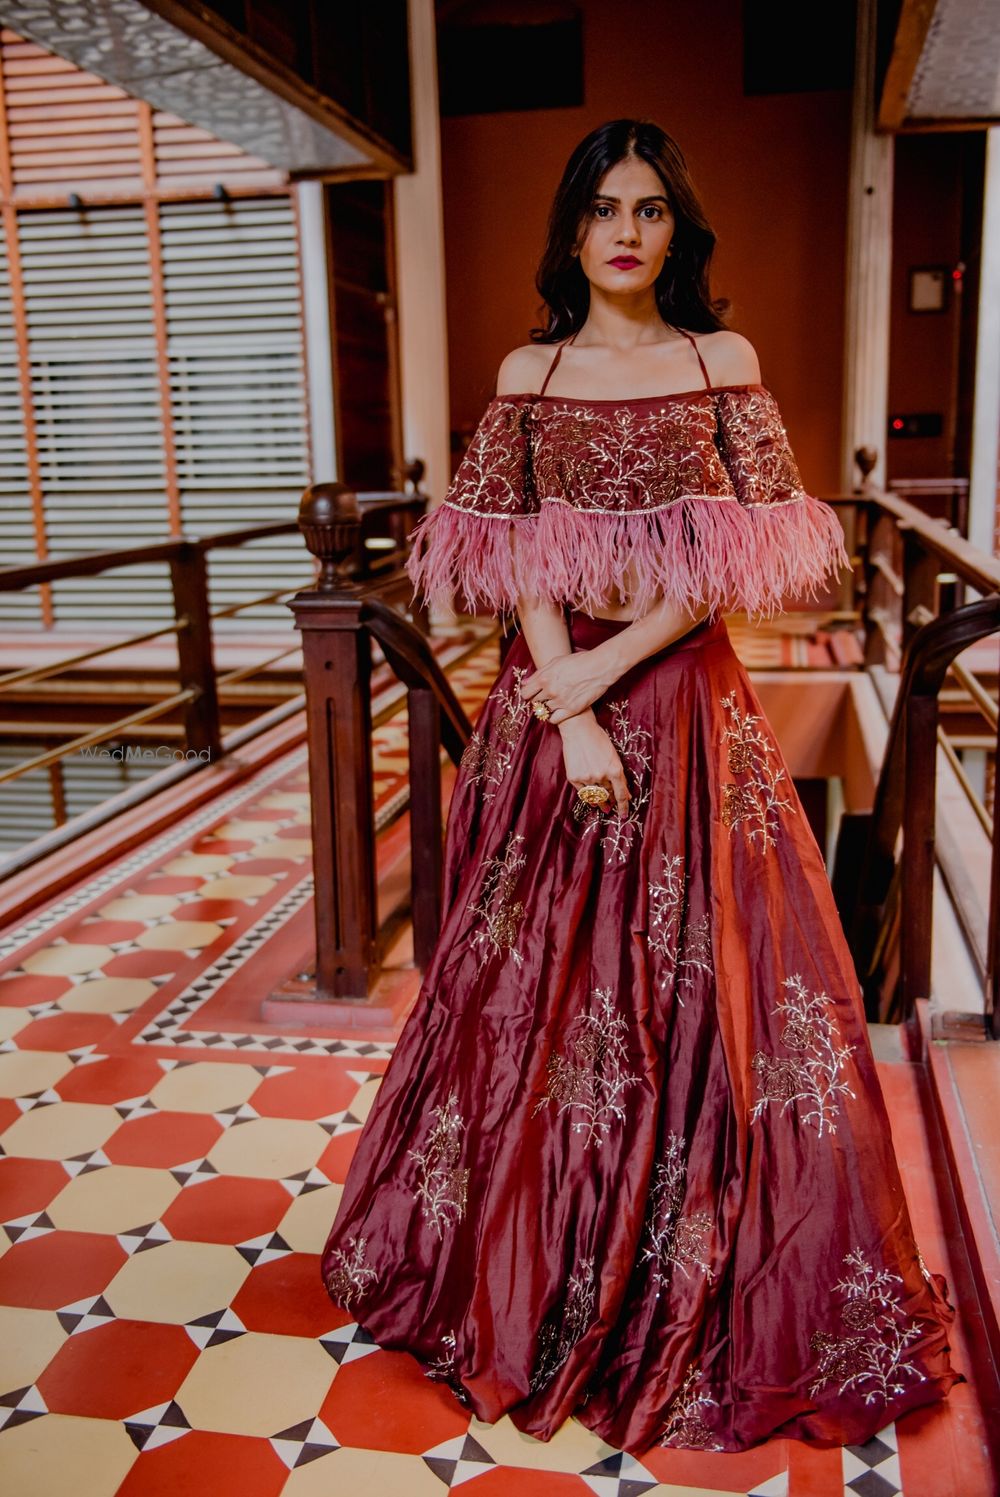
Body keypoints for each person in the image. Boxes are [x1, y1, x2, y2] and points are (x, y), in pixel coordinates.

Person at [320, 118, 964, 1455]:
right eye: (605, 206)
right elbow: (517, 567)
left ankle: (677, 1268)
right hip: (552, 716)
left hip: (678, 708)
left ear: (679, 231)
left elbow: (727, 566)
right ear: (572, 230)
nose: (627, 228)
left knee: (700, 984)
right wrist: (564, 714)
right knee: (532, 993)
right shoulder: (530, 370)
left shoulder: (717, 362)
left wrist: (598, 685)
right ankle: (526, 1263)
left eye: (652, 208)